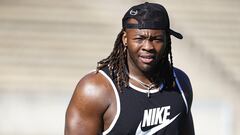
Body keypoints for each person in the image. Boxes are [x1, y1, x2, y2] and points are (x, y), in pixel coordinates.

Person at [65, 2, 195, 135]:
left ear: (167, 40)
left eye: (157, 39)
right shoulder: (95, 89)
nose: (148, 47)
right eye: (139, 38)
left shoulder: (179, 83)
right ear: (125, 39)